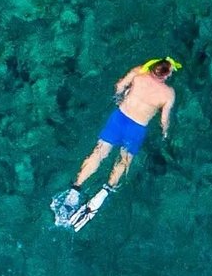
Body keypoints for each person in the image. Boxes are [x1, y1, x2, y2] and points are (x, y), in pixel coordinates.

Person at [70, 57, 180, 194]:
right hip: (137, 128)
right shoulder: (168, 94)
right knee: (124, 159)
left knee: (99, 152)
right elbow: (164, 119)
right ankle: (107, 188)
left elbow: (120, 86)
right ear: (167, 74)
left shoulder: (138, 73)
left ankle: (77, 186)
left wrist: (119, 97)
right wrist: (165, 133)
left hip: (119, 118)